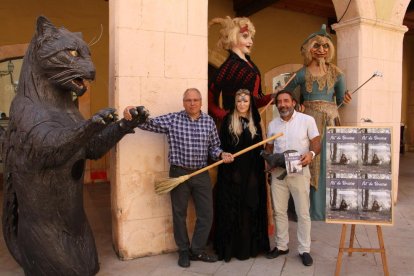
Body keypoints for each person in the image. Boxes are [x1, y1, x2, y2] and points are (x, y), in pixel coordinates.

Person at [123, 88, 234, 268]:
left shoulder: (208, 122)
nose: (192, 103)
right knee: (179, 213)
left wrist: (222, 155)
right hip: (178, 173)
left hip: (201, 174)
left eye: (195, 100)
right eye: (188, 100)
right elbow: (148, 124)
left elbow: (214, 147)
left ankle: (197, 249)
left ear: (201, 102)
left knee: (206, 214)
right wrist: (131, 113)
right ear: (183, 103)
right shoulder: (173, 119)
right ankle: (183, 250)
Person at [285, 24, 352, 220]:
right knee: (306, 159)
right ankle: (304, 209)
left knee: (328, 162)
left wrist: (345, 99)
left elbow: (340, 100)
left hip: (330, 122)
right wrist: (297, 105)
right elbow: (286, 94)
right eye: (317, 46)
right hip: (307, 122)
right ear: (309, 48)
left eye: (325, 46)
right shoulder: (301, 73)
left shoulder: (337, 74)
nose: (322, 50)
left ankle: (327, 208)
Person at [265, 90, 321, 266]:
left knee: (302, 212)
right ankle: (282, 246)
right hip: (278, 173)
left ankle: (304, 249)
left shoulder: (307, 120)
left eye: (286, 101)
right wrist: (268, 161)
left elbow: (316, 142)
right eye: (279, 102)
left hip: (299, 170)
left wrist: (311, 154)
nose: (283, 104)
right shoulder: (272, 124)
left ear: (294, 103)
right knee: (279, 211)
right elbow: (269, 148)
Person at [213, 89, 269, 262]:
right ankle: (232, 248)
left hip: (252, 172)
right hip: (232, 172)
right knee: (233, 209)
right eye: (239, 101)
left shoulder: (256, 121)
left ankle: (250, 248)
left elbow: (260, 149)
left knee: (249, 207)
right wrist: (224, 155)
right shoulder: (228, 120)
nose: (242, 104)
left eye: (245, 101)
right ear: (235, 103)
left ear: (249, 103)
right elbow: (221, 146)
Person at [208, 16, 272, 122]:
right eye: (245, 36)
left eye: (251, 38)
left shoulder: (250, 64)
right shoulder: (229, 66)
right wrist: (224, 116)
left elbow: (254, 100)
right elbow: (210, 96)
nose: (250, 42)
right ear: (233, 38)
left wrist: (272, 97)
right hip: (235, 126)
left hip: (251, 123)